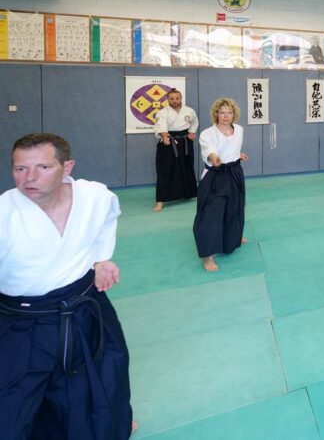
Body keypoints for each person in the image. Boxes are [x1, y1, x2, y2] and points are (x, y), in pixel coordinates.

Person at [0, 133, 134, 438]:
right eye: (20, 168)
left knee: (103, 379)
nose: (29, 178)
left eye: (43, 167)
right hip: (22, 320)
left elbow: (108, 218)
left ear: (67, 167)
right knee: (11, 412)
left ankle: (113, 422)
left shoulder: (94, 196)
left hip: (85, 307)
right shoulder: (4, 213)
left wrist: (101, 258)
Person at [194, 98, 249, 272]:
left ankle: (233, 238)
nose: (226, 116)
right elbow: (209, 149)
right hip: (215, 176)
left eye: (229, 112)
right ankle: (208, 256)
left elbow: (230, 146)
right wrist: (214, 157)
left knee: (235, 208)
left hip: (234, 173)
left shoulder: (239, 130)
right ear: (216, 114)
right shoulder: (207, 133)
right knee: (210, 214)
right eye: (222, 112)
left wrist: (237, 154)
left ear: (234, 114)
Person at [152, 88, 198, 212]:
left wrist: (192, 132)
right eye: (171, 98)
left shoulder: (189, 111)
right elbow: (160, 125)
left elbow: (195, 122)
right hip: (168, 141)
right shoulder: (163, 112)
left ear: (181, 98)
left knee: (186, 167)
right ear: (167, 99)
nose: (175, 101)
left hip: (185, 142)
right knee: (165, 170)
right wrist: (164, 135)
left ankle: (187, 193)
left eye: (177, 98)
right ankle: (160, 200)